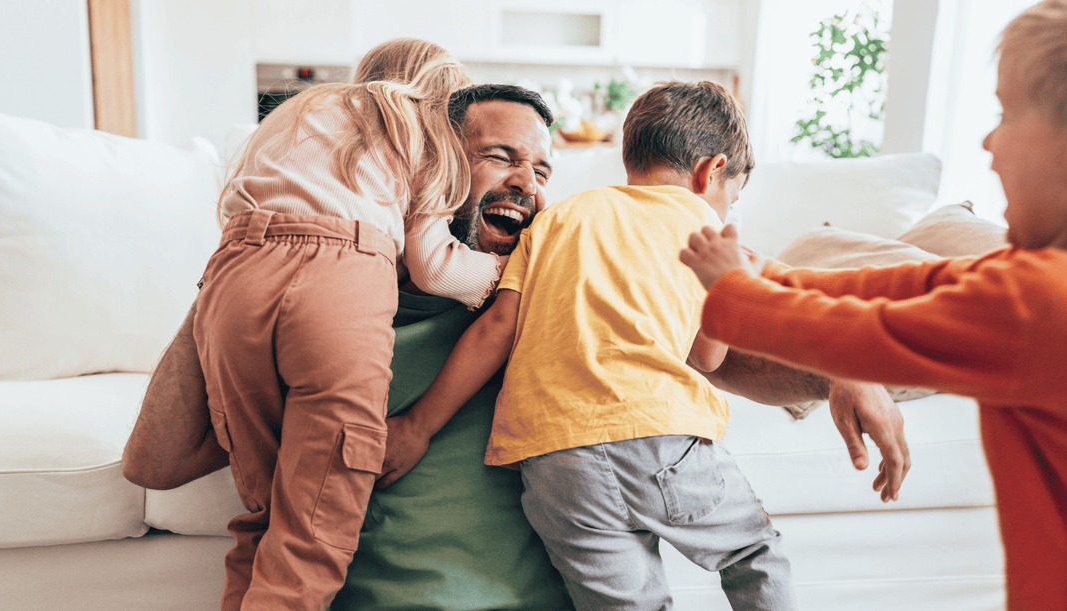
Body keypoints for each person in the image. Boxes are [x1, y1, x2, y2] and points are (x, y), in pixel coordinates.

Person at [122, 74, 908, 611]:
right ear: (425, 165)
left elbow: (727, 351)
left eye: (541, 167)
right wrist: (244, 264)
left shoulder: (554, 283)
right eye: (500, 156)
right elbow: (158, 462)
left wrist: (844, 369)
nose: (528, 183)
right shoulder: (341, 310)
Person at [678, 2, 1067, 609]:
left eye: (1007, 114)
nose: (988, 140)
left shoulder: (1041, 302)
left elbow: (869, 330)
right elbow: (902, 286)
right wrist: (766, 272)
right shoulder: (1032, 277)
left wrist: (736, 292)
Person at [379, 80, 796, 611]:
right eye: (729, 199)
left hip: (553, 463)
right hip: (659, 439)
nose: (726, 211)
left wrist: (417, 427)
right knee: (755, 554)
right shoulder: (706, 230)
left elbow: (495, 330)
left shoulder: (556, 220)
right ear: (710, 172)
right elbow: (707, 359)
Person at [191, 38, 504, 611]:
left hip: (232, 280)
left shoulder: (301, 113)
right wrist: (511, 271)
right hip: (339, 276)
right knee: (315, 526)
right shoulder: (423, 123)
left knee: (265, 514)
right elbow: (433, 267)